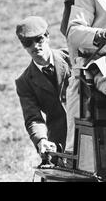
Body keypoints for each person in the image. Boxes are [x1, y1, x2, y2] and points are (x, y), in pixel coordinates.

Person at [15, 16, 71, 159]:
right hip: (59, 141)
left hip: (91, 133)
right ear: (23, 45)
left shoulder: (72, 58)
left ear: (47, 37)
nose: (35, 46)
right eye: (28, 43)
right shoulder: (24, 82)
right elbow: (33, 118)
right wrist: (42, 140)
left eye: (39, 39)